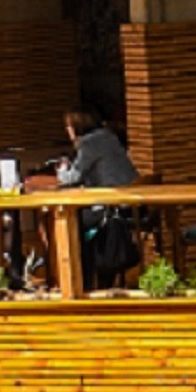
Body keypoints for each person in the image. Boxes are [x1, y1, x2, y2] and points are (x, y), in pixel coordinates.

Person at [57, 103, 138, 288]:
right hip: (131, 202)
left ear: (77, 125)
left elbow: (72, 178)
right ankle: (96, 277)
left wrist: (61, 169)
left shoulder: (89, 143)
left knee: (73, 221)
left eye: (68, 126)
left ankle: (84, 279)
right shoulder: (109, 136)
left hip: (113, 206)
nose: (67, 130)